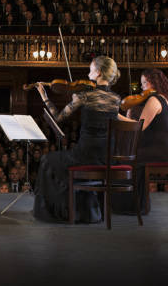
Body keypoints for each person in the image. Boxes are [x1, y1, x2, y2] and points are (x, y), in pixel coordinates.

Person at [32, 56, 123, 223]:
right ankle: (85, 210)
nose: (88, 73)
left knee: (47, 159)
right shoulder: (116, 99)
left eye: (91, 69)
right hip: (106, 157)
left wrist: (45, 98)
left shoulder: (84, 95)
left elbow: (58, 117)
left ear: (99, 73)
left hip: (85, 155)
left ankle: (62, 211)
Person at [114, 68, 168, 214]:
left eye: (144, 83)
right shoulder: (164, 99)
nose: (141, 87)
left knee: (124, 161)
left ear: (152, 83)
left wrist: (115, 115)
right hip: (162, 151)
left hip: (157, 153)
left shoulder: (155, 100)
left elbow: (138, 127)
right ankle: (137, 204)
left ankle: (132, 206)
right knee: (128, 158)